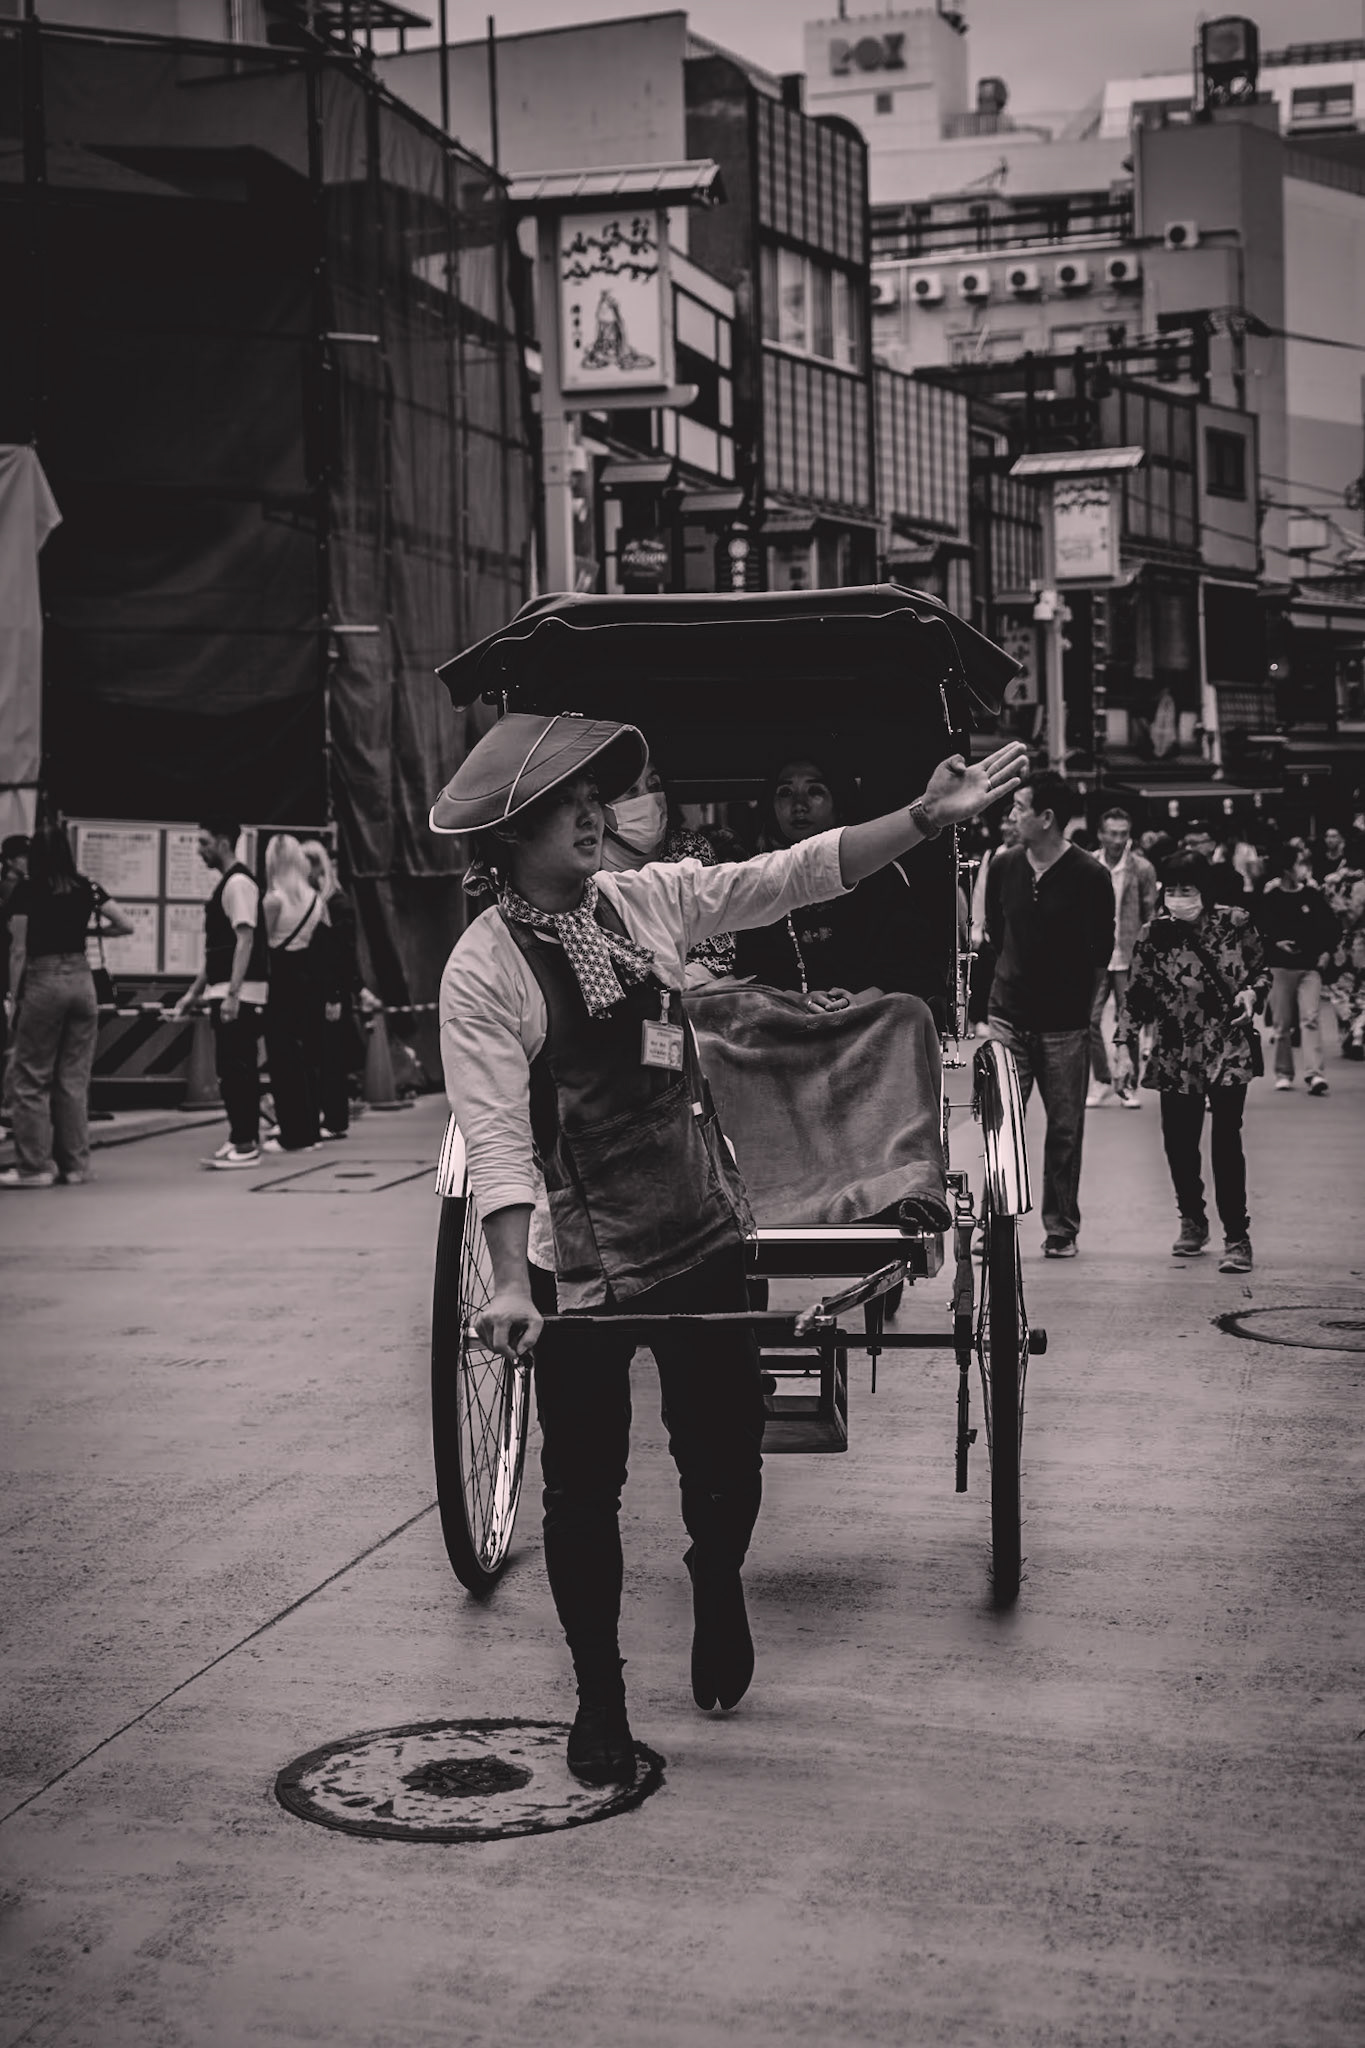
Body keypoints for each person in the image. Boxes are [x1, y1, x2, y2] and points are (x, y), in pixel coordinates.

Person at [436, 712, 1027, 1787]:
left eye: (594, 798)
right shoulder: (484, 971)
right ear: (511, 834)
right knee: (582, 1486)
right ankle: (601, 1695)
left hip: (702, 1222)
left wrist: (920, 819)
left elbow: (789, 877)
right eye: (567, 803)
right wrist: (514, 1282)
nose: (593, 814)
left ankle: (717, 1575)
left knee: (723, 1458)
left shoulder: (637, 900)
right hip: (583, 1256)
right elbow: (496, 1138)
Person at [984, 770, 1116, 1259]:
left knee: (1064, 1128)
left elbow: (1102, 950)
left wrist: (1087, 1011)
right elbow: (997, 934)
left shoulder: (1089, 875)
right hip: (1009, 1015)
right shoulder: (1004, 866)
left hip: (1064, 1024)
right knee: (1001, 1127)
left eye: (1020, 807)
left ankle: (1060, 1227)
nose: (1012, 815)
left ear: (1047, 817)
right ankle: (994, 1227)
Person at [1118, 851, 1270, 1274]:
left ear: (1205, 890)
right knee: (1179, 1144)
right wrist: (1122, 1048)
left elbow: (1261, 971)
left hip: (1226, 1047)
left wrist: (1252, 994)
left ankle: (1237, 1237)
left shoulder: (1236, 923)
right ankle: (1192, 1219)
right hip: (1175, 1053)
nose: (1179, 897)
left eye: (1188, 889)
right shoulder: (1154, 934)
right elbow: (1137, 995)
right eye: (1172, 889)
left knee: (1226, 1142)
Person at [733, 750, 950, 1022]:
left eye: (815, 791)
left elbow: (913, 969)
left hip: (871, 1024)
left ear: (839, 803)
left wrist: (859, 1002)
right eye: (785, 793)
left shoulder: (880, 876)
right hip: (783, 1028)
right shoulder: (761, 875)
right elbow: (748, 976)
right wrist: (796, 1000)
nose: (799, 805)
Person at [0, 822, 134, 1188]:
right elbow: (125, 924)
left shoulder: (28, 890)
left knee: (30, 1077)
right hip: (81, 979)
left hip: (44, 979)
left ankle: (35, 1167)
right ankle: (76, 1166)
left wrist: (14, 997)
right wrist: (90, 933)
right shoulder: (86, 887)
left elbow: (19, 950)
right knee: (73, 1078)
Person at [597, 746, 744, 984]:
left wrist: (673, 992)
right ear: (602, 806)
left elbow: (715, 956)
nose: (648, 800)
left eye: (654, 786)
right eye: (631, 791)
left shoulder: (690, 850)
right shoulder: (585, 864)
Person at [171, 820, 270, 1168]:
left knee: (237, 1068)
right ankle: (239, 1137)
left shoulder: (239, 883)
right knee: (231, 1069)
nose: (199, 850)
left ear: (224, 843)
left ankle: (245, 1144)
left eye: (204, 842)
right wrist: (194, 992)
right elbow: (221, 949)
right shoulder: (231, 884)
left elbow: (246, 940)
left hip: (240, 992)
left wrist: (233, 992)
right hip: (229, 989)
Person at [262, 833, 329, 1153]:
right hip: (309, 981)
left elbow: (262, 945)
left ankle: (293, 1133)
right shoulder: (316, 899)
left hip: (281, 982)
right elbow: (326, 939)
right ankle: (311, 1128)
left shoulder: (274, 900)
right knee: (308, 1059)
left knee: (283, 1060)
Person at [1087, 806, 1158, 1109]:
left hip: (1130, 954)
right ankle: (1103, 1077)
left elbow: (1150, 914)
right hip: (1095, 955)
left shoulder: (1142, 868)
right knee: (1087, 1019)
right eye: (1112, 834)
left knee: (1129, 1022)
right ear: (1101, 834)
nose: (1118, 840)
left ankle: (1129, 1083)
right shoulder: (1088, 864)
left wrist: (1149, 956)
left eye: (1124, 834)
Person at [1255, 842, 1339, 1095]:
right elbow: (1260, 931)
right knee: (1282, 1024)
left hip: (1310, 966)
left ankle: (1315, 1074)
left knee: (1310, 1018)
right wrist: (1276, 944)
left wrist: (1326, 952)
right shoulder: (1271, 898)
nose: (1302, 869)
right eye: (1298, 864)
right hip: (1280, 967)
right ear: (1286, 869)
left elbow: (1330, 926)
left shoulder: (1312, 896)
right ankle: (1283, 1072)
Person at [300, 839, 369, 1137]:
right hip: (320, 990)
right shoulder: (318, 903)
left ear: (315, 867)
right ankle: (323, 1115)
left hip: (332, 992)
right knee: (320, 1055)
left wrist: (339, 994)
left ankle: (335, 1119)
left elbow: (343, 953)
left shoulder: (336, 903)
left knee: (331, 1057)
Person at [1321, 829, 1365, 1061]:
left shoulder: (1331, 882)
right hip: (1362, 940)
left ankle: (1349, 1026)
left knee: (1339, 988)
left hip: (1337, 941)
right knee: (1363, 990)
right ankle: (1358, 1031)